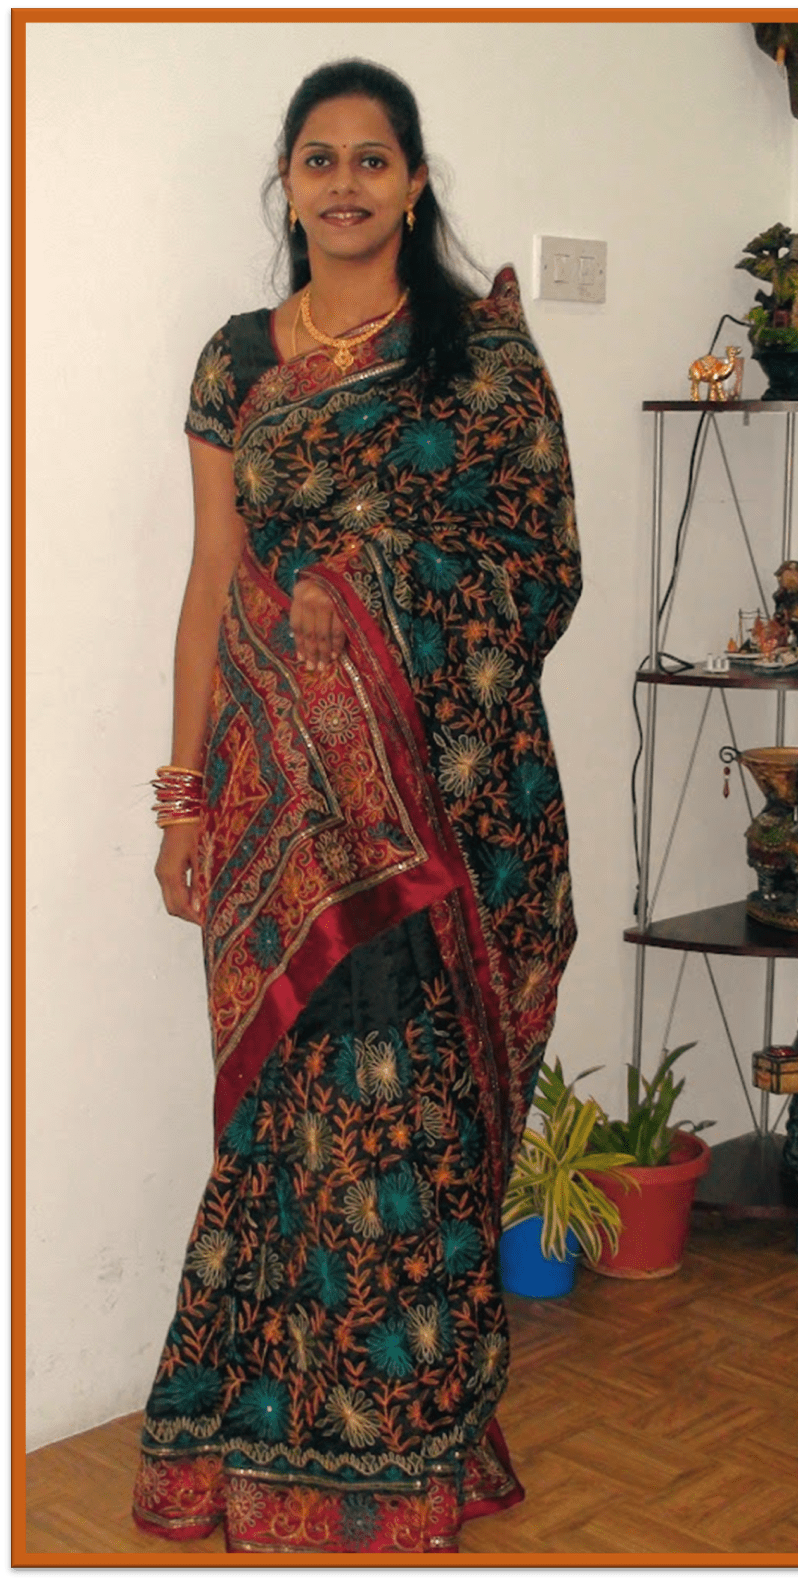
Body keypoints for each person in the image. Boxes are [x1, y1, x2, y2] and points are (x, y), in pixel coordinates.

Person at [132, 59, 580, 1555]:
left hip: (442, 811)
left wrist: (367, 578)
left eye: (371, 160)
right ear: (288, 183)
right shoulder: (235, 363)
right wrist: (185, 801)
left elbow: (538, 563)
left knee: (416, 1119)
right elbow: (211, 579)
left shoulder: (480, 357)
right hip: (282, 814)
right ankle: (254, 1446)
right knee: (290, 1125)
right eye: (318, 160)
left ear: (414, 182)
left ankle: (411, 1455)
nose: (343, 184)